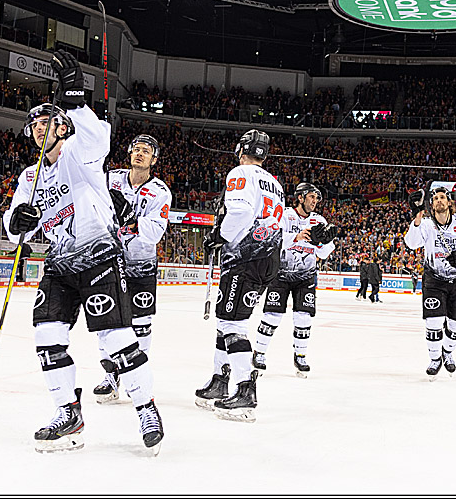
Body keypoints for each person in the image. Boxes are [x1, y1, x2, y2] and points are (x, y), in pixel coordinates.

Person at [3, 51, 162, 454]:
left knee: (114, 339)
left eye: (46, 123)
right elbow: (17, 229)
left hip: (98, 256)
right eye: (34, 126)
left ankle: (146, 406)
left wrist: (75, 97)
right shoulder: (29, 176)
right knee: (47, 336)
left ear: (61, 126)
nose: (39, 131)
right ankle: (67, 410)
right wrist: (17, 224)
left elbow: (98, 137)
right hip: (60, 263)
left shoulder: (80, 154)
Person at [194, 129, 284, 421]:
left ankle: (246, 390)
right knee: (226, 320)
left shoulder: (240, 173)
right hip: (268, 258)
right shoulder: (275, 183)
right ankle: (220, 381)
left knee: (233, 324)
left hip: (245, 258)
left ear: (241, 149)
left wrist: (220, 236)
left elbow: (240, 213)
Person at [94, 134, 172, 404]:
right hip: (109, 261)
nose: (139, 154)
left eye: (146, 151)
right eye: (136, 149)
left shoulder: (160, 191)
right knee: (107, 320)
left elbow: (155, 232)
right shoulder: (111, 179)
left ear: (154, 159)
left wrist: (129, 218)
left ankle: (136, 376)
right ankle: (110, 376)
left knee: (140, 324)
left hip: (141, 265)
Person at [253, 182, 336, 378]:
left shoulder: (320, 220)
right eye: (311, 197)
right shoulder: (284, 214)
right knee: (272, 315)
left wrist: (323, 243)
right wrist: (296, 237)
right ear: (300, 197)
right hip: (280, 273)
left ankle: (300, 355)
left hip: (306, 276)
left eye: (317, 198)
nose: (315, 202)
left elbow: (323, 254)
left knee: (303, 317)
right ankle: (259, 353)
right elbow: (271, 238)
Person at [404, 186, 456, 379]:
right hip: (434, 278)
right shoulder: (426, 224)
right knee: (434, 321)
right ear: (431, 204)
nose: (439, 200)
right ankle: (434, 359)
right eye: (435, 198)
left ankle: (447, 352)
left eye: (442, 197)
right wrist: (417, 216)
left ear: (449, 202)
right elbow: (412, 244)